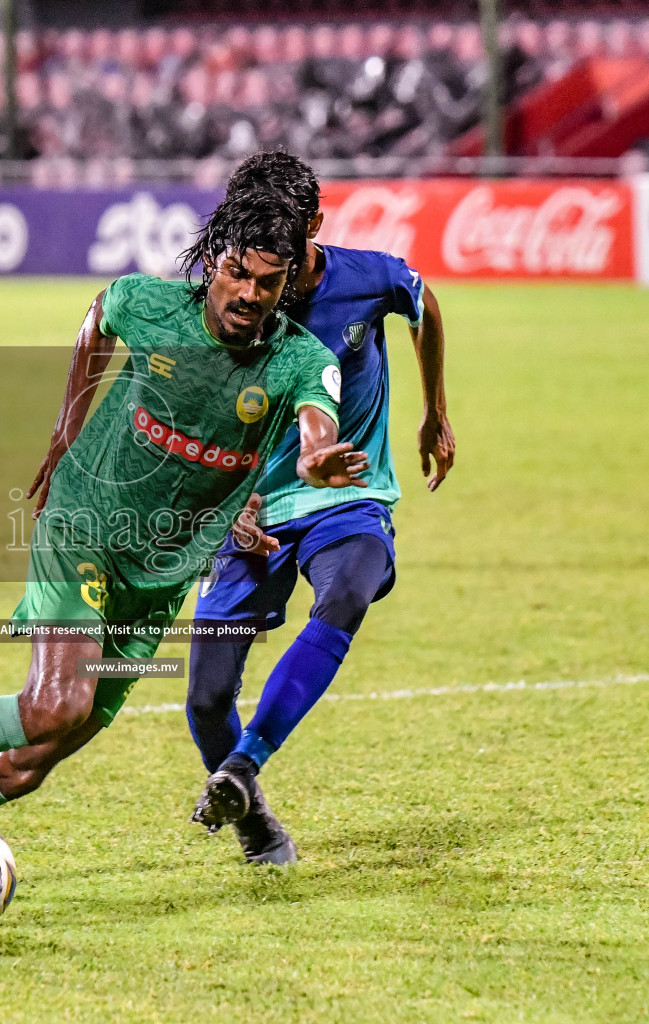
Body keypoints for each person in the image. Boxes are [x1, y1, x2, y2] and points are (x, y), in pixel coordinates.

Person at [0, 188, 367, 926]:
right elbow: (99, 314)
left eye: (268, 282)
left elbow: (318, 427)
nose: (248, 295)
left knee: (38, 757)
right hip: (84, 525)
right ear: (213, 258)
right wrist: (65, 431)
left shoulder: (298, 360)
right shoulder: (148, 303)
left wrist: (317, 461)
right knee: (54, 703)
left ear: (290, 282)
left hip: (159, 575)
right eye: (236, 273)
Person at [185, 151, 455, 864]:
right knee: (207, 700)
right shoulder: (224, 299)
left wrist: (435, 411)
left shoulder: (369, 280)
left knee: (348, 591)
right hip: (256, 511)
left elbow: (423, 303)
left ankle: (243, 768)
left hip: (348, 495)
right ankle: (255, 825)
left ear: (312, 226)